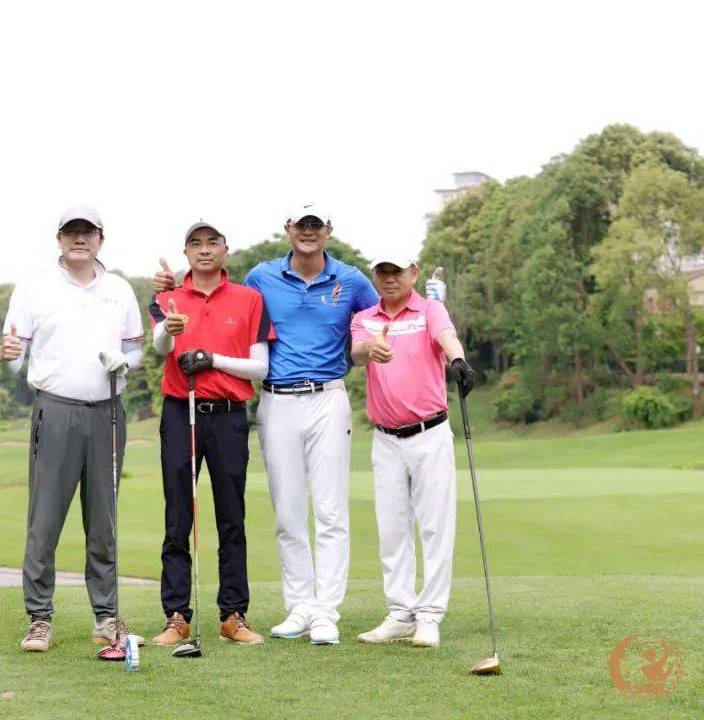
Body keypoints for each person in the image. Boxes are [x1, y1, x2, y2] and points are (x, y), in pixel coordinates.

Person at [155, 203, 377, 645]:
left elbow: (383, 315)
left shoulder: (350, 279)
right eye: (302, 224)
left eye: (316, 225)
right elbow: (196, 304)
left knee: (328, 511)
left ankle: (323, 612)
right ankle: (299, 607)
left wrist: (429, 309)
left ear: (328, 230)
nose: (309, 231)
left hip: (325, 396)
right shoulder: (261, 277)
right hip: (271, 402)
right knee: (287, 512)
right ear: (288, 228)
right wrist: (168, 287)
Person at [0, 205, 145, 653]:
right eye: (71, 233)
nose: (79, 239)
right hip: (56, 411)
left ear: (101, 239)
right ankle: (39, 618)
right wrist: (9, 356)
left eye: (87, 232)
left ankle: (106, 617)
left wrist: (127, 363)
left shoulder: (119, 289)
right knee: (44, 520)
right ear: (59, 239)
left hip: (108, 412)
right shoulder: (35, 287)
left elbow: (135, 350)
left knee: (103, 521)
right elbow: (16, 357)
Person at [147, 220, 273, 646]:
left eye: (212, 242)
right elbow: (160, 348)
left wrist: (213, 359)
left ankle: (233, 615)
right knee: (178, 517)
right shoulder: (168, 296)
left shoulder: (249, 298)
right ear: (185, 252)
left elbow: (260, 368)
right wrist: (170, 329)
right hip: (180, 412)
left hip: (228, 415)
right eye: (195, 243)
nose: (204, 249)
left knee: (231, 517)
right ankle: (176, 615)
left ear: (224, 249)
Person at [349, 255, 475, 648]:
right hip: (386, 439)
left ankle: (430, 615)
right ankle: (401, 613)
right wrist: (371, 348)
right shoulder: (365, 318)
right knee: (392, 529)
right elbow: (356, 352)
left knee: (435, 527)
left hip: (429, 434)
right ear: (374, 276)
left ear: (414, 273)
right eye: (382, 272)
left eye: (397, 272)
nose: (389, 279)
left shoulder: (430, 309)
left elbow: (446, 335)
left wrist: (458, 360)